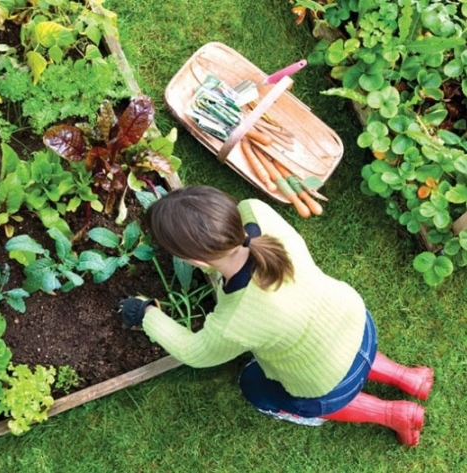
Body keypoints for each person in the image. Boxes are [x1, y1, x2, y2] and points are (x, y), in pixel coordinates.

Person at [119, 185, 433, 446]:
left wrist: (145, 313)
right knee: (339, 349)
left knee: (253, 386)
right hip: (355, 322)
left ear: (195, 261)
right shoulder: (257, 212)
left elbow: (194, 352)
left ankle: (393, 414)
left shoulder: (236, 320)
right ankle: (409, 377)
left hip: (326, 381)